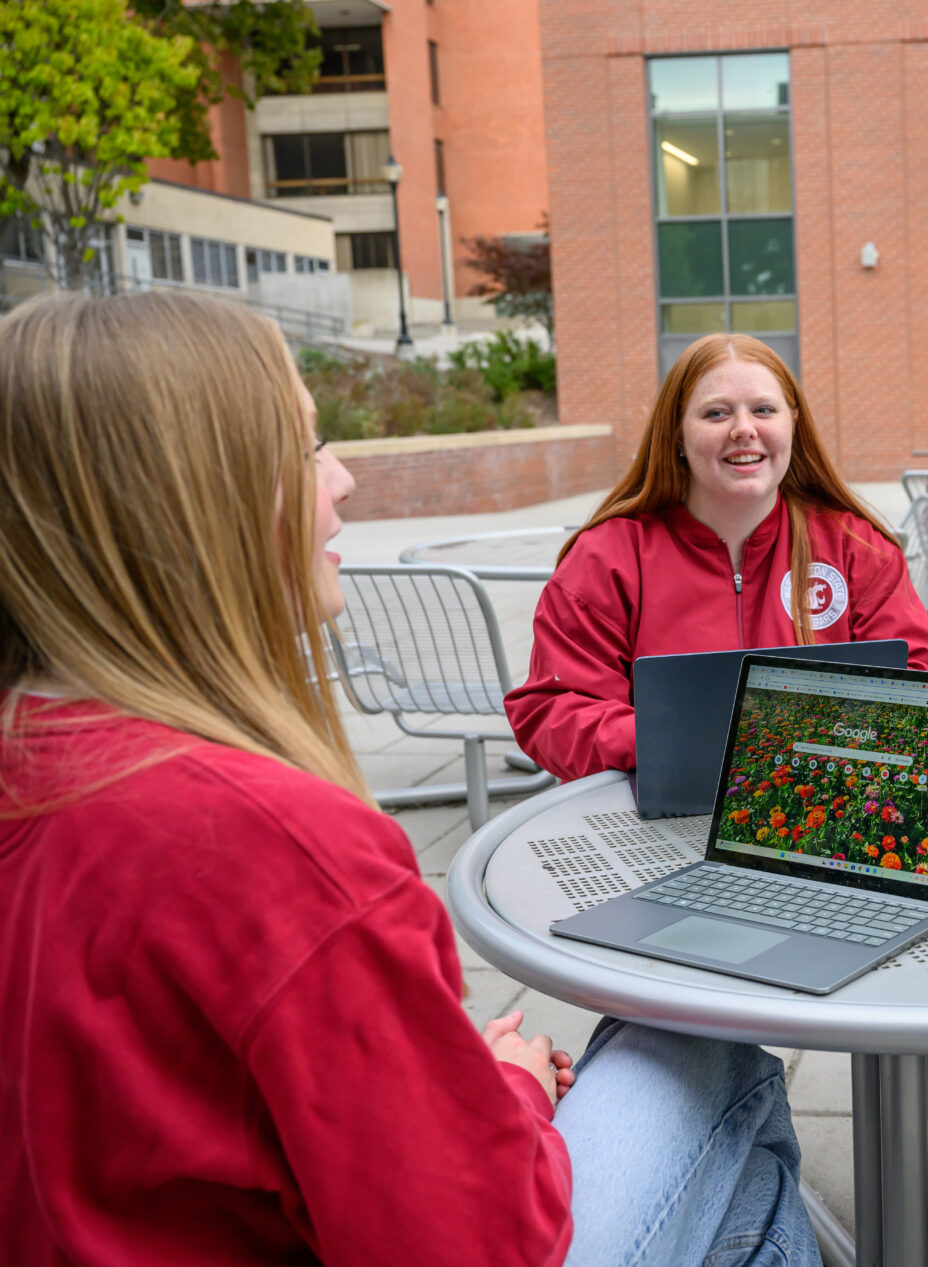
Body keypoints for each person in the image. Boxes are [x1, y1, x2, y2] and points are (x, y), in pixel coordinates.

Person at [0, 291, 820, 1266]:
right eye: (306, 449)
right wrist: (509, 1090)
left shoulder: (41, 768)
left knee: (745, 1178)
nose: (342, 481)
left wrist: (432, 1082)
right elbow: (482, 1241)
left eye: (765, 411)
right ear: (194, 497)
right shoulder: (283, 845)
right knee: (707, 1046)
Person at [506, 332, 928, 782]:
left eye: (763, 409)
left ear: (793, 422)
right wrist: (680, 738)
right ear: (677, 433)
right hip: (655, 822)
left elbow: (927, 681)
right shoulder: (608, 558)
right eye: (716, 413)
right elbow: (554, 709)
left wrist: (799, 738)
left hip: (823, 810)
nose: (743, 428)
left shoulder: (856, 548)